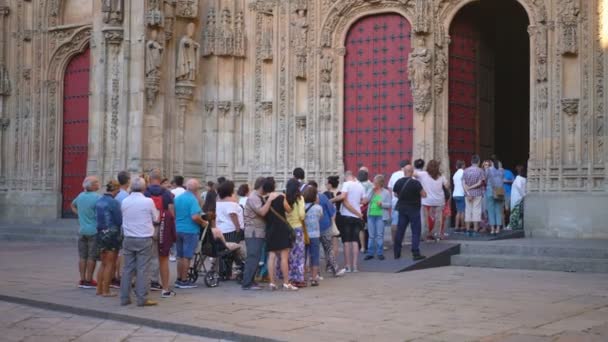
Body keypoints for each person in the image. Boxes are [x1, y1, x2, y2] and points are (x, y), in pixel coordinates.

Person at [120, 177, 158, 307]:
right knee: (143, 269)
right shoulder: (148, 201)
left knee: (127, 269)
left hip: (128, 237)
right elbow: (156, 217)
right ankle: (142, 298)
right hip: (144, 237)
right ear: (144, 187)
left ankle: (124, 298)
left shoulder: (125, 201)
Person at [242, 177, 278, 290]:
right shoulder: (253, 198)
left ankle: (251, 281)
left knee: (256, 257)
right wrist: (270, 200)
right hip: (253, 232)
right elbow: (262, 212)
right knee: (253, 257)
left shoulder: (257, 197)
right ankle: (247, 283)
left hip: (258, 231)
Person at [263, 178, 298, 291]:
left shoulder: (263, 199)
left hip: (270, 228)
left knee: (271, 256)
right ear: (274, 186)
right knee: (284, 256)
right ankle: (286, 283)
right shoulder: (280, 196)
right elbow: (289, 210)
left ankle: (272, 283)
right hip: (281, 228)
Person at [144, 169, 175, 292]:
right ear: (160, 179)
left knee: (146, 257)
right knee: (163, 258)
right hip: (163, 228)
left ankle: (146, 283)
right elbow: (171, 212)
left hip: (148, 228)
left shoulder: (145, 193)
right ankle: (162, 286)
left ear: (150, 180)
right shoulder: (167, 193)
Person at [174, 179, 208, 289]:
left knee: (180, 256)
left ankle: (178, 279)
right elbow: (195, 216)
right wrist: (203, 223)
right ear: (196, 190)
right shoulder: (192, 200)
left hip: (178, 229)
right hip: (190, 230)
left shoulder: (178, 198)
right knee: (187, 257)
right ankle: (184, 281)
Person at [308, 180, 346, 277]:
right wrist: (332, 222)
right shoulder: (323, 197)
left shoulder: (305, 199)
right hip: (325, 227)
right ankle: (334, 269)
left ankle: (316, 273)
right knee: (328, 249)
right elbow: (332, 211)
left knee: (314, 251)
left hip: (312, 229)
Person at [71, 176, 101, 289]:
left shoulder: (80, 196)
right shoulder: (97, 197)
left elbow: (72, 205)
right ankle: (89, 280)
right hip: (93, 231)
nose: (98, 184)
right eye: (96, 182)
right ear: (92, 186)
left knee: (82, 256)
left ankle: (82, 279)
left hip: (82, 230)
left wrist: (79, 214)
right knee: (92, 256)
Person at [332, 171, 365, 273]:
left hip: (346, 216)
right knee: (355, 241)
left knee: (346, 242)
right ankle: (355, 266)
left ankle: (347, 265)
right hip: (357, 216)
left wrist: (331, 200)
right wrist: (356, 204)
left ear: (347, 177)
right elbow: (363, 200)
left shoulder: (347, 184)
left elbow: (342, 197)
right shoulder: (360, 186)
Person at [393, 165, 427, 260]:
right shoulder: (416, 183)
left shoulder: (398, 182)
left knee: (400, 230)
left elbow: (395, 194)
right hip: (414, 209)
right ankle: (415, 252)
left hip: (402, 209)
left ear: (404, 172)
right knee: (416, 231)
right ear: (412, 172)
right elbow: (424, 195)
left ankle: (397, 252)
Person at [95, 180, 122, 297]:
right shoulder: (114, 202)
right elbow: (119, 220)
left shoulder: (99, 201)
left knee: (103, 263)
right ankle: (106, 290)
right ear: (115, 189)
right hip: (111, 234)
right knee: (110, 263)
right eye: (118, 191)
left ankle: (99, 289)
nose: (118, 193)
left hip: (100, 233)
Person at [215, 180, 245, 278]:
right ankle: (238, 268)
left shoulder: (218, 201)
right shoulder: (231, 202)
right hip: (231, 229)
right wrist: (238, 228)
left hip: (220, 229)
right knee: (232, 250)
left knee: (225, 251)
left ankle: (225, 272)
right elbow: (233, 215)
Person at [417, 160, 449, 240]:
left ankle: (427, 234)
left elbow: (412, 174)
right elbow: (447, 186)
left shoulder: (423, 174)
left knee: (427, 219)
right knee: (438, 218)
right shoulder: (441, 176)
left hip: (427, 201)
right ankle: (437, 234)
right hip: (439, 200)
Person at [284, 178, 306, 287]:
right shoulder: (300, 198)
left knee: (289, 254)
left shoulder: (284, 198)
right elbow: (302, 215)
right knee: (299, 254)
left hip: (287, 229)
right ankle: (298, 278)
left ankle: (289, 278)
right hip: (297, 228)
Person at [364, 175, 392, 260]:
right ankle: (370, 253)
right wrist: (371, 191)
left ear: (381, 183)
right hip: (371, 215)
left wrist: (382, 204)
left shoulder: (386, 192)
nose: (374, 184)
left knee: (380, 235)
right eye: (373, 182)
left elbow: (390, 205)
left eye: (376, 183)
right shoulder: (371, 190)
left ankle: (380, 253)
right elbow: (366, 200)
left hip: (381, 216)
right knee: (371, 235)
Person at [303, 186, 323, 286]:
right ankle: (314, 278)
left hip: (304, 235)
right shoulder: (318, 208)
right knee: (315, 256)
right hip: (315, 235)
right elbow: (320, 217)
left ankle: (303, 278)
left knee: (303, 256)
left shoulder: (302, 207)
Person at [113, 171, 130, 288]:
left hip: (115, 226)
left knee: (116, 253)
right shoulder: (125, 196)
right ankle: (118, 276)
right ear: (128, 181)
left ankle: (114, 275)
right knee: (120, 253)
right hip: (122, 227)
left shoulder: (117, 194)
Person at [463, 155, 486, 235]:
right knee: (476, 211)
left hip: (467, 194)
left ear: (471, 161)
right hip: (477, 193)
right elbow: (480, 183)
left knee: (468, 210)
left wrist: (468, 191)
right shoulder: (480, 171)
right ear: (479, 162)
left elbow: (463, 183)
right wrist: (471, 187)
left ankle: (468, 230)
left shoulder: (465, 170)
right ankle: (475, 230)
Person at [388, 160, 409, 245]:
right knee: (403, 221)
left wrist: (391, 198)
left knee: (394, 221)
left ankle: (394, 240)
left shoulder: (394, 174)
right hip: (406, 201)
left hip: (395, 201)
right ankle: (402, 241)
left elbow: (390, 188)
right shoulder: (409, 174)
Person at [324, 176, 342, 269]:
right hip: (338, 218)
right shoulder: (340, 193)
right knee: (335, 243)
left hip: (328, 219)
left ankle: (329, 264)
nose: (326, 185)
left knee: (328, 244)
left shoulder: (325, 194)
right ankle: (334, 264)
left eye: (327, 183)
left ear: (330, 184)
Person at [485, 158, 505, 235]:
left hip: (490, 190)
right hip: (499, 191)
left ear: (492, 163)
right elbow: (502, 179)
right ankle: (498, 228)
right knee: (498, 210)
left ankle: (492, 229)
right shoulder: (502, 170)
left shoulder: (488, 169)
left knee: (490, 210)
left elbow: (486, 179)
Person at [357, 168, 373, 253]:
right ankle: (369, 246)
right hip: (367, 208)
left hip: (358, 209)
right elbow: (368, 199)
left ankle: (362, 247)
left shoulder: (355, 184)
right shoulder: (370, 185)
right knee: (369, 228)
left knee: (361, 228)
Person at [508, 165, 527, 230]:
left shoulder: (518, 178)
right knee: (519, 212)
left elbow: (519, 187)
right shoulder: (524, 179)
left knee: (515, 211)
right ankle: (518, 225)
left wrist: (523, 194)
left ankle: (512, 225)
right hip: (519, 197)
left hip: (517, 197)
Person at [452, 160, 466, 231]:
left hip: (455, 194)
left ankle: (456, 226)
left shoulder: (455, 174)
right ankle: (463, 226)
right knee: (462, 211)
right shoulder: (463, 172)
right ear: (463, 165)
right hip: (461, 194)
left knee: (458, 211)